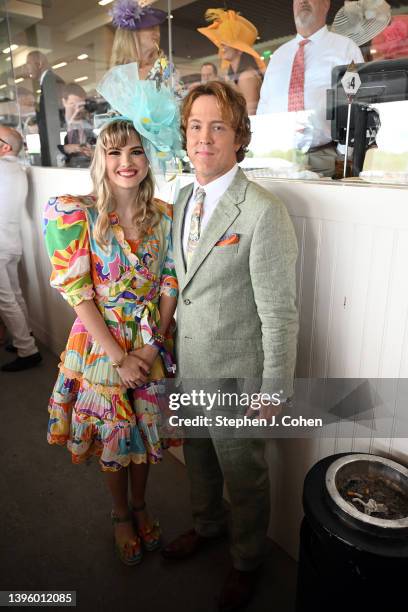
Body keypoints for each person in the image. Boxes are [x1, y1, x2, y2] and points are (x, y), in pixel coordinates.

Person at [161, 81, 298, 612]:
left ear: (239, 135)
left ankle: (247, 561)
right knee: (196, 457)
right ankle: (207, 526)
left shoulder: (263, 211)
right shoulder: (182, 197)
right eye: (195, 125)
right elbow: (184, 279)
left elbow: (280, 312)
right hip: (192, 362)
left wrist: (275, 389)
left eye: (217, 125)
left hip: (240, 373)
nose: (204, 137)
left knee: (244, 475)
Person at [43, 67, 183, 566]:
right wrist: (119, 357)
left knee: (146, 432)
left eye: (136, 150)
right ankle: (120, 512)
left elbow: (170, 280)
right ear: (99, 158)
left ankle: (142, 504)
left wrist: (150, 346)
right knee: (114, 433)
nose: (126, 161)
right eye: (114, 151)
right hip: (101, 344)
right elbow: (77, 292)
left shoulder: (166, 216)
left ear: (150, 156)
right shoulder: (74, 212)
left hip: (149, 341)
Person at [257, 0, 364, 177]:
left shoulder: (345, 48)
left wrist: (343, 157)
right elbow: (264, 106)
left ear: (326, 4)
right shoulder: (279, 56)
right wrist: (261, 151)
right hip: (277, 160)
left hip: (325, 158)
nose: (303, 1)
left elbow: (356, 104)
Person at [0, 125, 42, 372]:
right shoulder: (17, 169)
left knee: (7, 300)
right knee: (14, 295)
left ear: (5, 147)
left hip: (1, 243)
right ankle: (22, 338)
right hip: (11, 243)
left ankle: (28, 350)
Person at [198, 9, 265, 115]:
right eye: (222, 42)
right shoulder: (236, 76)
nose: (222, 46)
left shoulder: (246, 77)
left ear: (239, 49)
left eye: (227, 42)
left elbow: (250, 116)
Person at [109, 0, 182, 94]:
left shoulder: (164, 67)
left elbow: (180, 98)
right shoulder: (118, 75)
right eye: (150, 27)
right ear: (132, 34)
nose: (157, 33)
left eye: (157, 28)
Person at [25, 50, 65, 166]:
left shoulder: (51, 81)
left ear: (39, 64)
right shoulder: (47, 81)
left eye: (28, 63)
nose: (26, 68)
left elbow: (54, 116)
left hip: (53, 147)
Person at [59, 83, 95, 168]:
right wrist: (66, 148)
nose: (77, 109)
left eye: (80, 105)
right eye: (72, 104)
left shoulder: (87, 122)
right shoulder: (56, 123)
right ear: (64, 102)